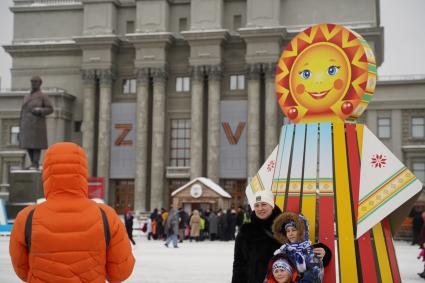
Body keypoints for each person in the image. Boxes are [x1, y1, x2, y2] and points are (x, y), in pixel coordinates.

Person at [9, 142, 135, 282]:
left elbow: (21, 268)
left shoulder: (27, 217)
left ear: (46, 172)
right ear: (82, 171)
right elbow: (120, 272)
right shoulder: (106, 215)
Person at [232, 190, 282, 283]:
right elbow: (239, 264)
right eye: (256, 205)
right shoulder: (245, 232)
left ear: (272, 205)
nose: (260, 208)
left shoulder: (285, 228)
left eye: (264, 204)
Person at [272, 212, 331, 282]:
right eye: (288, 231)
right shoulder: (284, 250)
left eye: (294, 230)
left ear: (302, 231)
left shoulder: (310, 250)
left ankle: (300, 264)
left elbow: (315, 271)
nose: (290, 234)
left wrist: (324, 253)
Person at [19, 75, 53, 170]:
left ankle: (35, 163)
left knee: (36, 145)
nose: (33, 83)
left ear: (40, 83)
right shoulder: (27, 96)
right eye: (32, 82)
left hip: (37, 124)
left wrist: (40, 111)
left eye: (35, 82)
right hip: (26, 124)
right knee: (28, 145)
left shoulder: (43, 96)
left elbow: (50, 109)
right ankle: (32, 163)